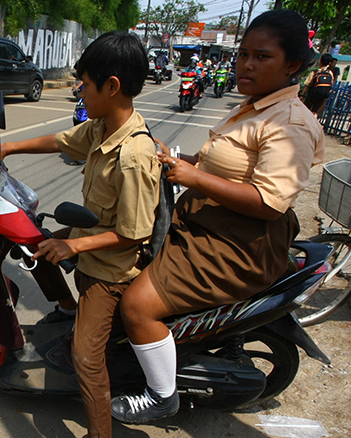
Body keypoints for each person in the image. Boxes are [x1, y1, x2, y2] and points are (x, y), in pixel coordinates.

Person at [110, 9, 324, 425]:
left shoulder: (290, 121)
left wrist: (192, 175)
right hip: (207, 222)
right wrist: (174, 158)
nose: (246, 64)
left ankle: (160, 395)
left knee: (137, 305)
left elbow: (268, 201)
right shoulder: (254, 106)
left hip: (237, 243)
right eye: (243, 54)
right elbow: (223, 168)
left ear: (292, 65)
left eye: (261, 56)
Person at [0, 31, 161, 438]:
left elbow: (134, 234)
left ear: (111, 87)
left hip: (110, 270)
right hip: (90, 235)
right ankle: (66, 307)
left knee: (85, 357)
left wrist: (72, 243)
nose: (79, 89)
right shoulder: (100, 128)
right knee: (32, 243)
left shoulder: (134, 155)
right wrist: (5, 150)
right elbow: (60, 141)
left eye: (85, 82)